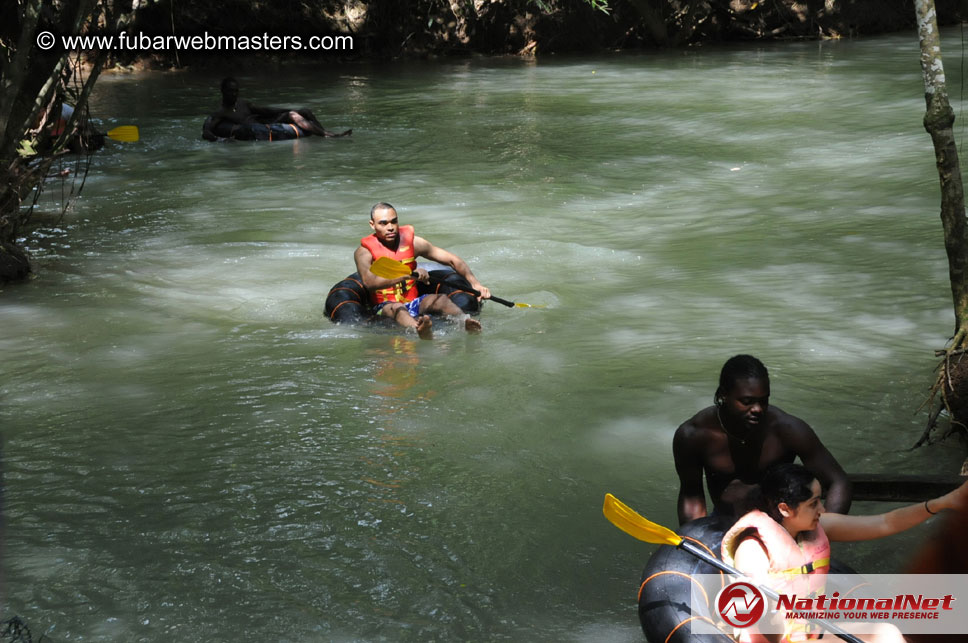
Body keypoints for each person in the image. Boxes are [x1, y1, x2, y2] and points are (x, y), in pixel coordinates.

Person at [721, 463, 968, 643]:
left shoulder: (816, 527)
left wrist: (943, 502)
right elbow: (770, 631)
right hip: (778, 639)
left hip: (811, 633)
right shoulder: (752, 549)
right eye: (813, 503)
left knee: (888, 633)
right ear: (785, 509)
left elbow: (885, 523)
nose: (823, 508)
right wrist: (768, 609)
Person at [673, 355, 851, 525]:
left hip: (783, 522)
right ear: (723, 395)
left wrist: (822, 530)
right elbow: (692, 495)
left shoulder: (787, 430)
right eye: (747, 401)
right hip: (723, 523)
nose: (757, 409)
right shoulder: (693, 436)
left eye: (763, 401)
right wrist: (695, 540)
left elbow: (838, 481)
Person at [354, 202, 490, 340]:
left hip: (413, 302)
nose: (390, 228)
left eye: (394, 222)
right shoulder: (364, 253)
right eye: (383, 223)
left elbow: (452, 260)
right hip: (384, 307)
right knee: (398, 309)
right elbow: (369, 282)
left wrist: (475, 283)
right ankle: (418, 329)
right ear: (372, 224)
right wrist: (408, 276)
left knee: (441, 299)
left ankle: (464, 322)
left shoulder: (413, 243)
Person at [201, 77, 350, 141]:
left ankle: (322, 131)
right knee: (292, 115)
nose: (234, 94)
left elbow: (265, 110)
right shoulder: (220, 111)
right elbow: (207, 131)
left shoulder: (242, 103)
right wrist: (220, 140)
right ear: (222, 91)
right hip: (260, 129)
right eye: (230, 91)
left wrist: (287, 108)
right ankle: (328, 135)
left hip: (265, 122)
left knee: (304, 111)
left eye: (236, 91)